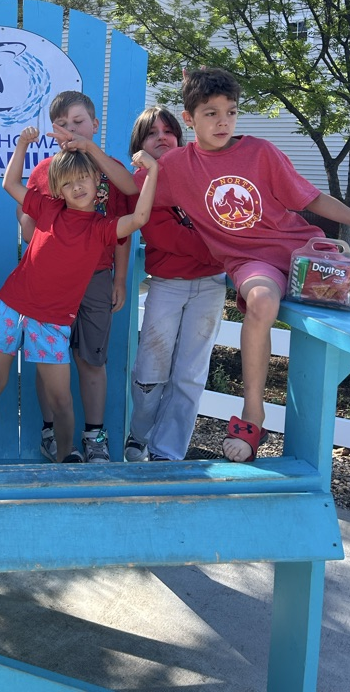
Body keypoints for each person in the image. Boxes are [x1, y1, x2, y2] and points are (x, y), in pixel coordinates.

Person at [136, 67, 350, 461]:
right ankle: (253, 414)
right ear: (189, 118)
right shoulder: (176, 167)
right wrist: (100, 153)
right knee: (262, 301)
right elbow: (124, 186)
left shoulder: (260, 152)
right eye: (211, 113)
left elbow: (310, 199)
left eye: (231, 112)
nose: (223, 122)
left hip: (305, 254)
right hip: (252, 262)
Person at [0, 126, 158, 466]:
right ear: (58, 190)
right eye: (68, 182)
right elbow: (10, 184)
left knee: (61, 399)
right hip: (11, 308)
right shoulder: (49, 209)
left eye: (83, 179)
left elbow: (139, 217)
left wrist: (152, 172)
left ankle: (67, 461)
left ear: (98, 184)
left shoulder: (101, 228)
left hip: (51, 322)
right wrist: (22, 144)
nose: (77, 187)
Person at [19, 91, 139, 463]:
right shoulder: (46, 172)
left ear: (95, 125)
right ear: (53, 131)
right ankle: (52, 432)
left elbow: (127, 206)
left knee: (92, 361)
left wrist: (119, 281)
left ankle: (94, 436)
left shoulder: (109, 169)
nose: (72, 130)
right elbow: (27, 228)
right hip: (50, 283)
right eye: (64, 125)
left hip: (97, 279)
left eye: (79, 122)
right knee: (48, 360)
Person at [125, 106, 227, 462]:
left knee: (190, 375)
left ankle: (167, 455)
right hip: (167, 284)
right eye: (152, 133)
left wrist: (220, 251)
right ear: (139, 146)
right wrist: (220, 250)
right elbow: (164, 234)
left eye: (168, 131)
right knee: (151, 371)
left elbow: (226, 222)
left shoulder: (199, 175)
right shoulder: (140, 182)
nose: (162, 138)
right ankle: (138, 435)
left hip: (211, 285)